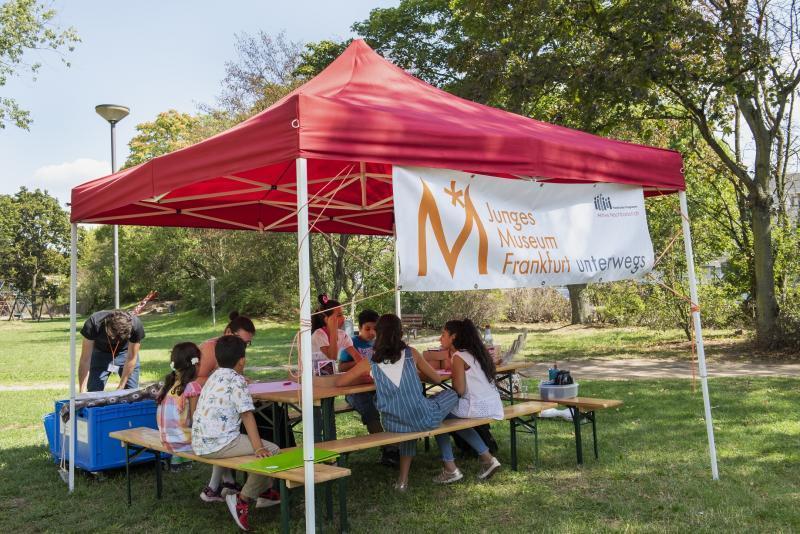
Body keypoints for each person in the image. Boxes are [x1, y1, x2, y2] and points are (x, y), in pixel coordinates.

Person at [335, 313, 457, 491]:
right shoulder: (411, 353)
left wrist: (372, 378)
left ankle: (402, 481)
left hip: (394, 424)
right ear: (400, 333)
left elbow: (340, 382)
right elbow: (437, 379)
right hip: (424, 418)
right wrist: (416, 375)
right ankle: (462, 452)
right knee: (453, 393)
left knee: (408, 420)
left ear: (378, 333)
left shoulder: (371, 360)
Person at [192, 335, 281, 531]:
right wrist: (258, 447)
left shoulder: (213, 376)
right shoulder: (237, 381)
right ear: (242, 360)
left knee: (259, 450)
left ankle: (265, 494)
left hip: (200, 442)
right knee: (272, 450)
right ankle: (242, 498)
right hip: (219, 444)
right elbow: (248, 416)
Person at [155, 342, 239, 498]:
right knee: (219, 440)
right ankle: (212, 489)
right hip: (181, 441)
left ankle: (229, 482)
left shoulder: (168, 384)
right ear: (196, 364)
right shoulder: (192, 387)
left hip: (166, 439)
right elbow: (196, 420)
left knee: (217, 439)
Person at [433, 319, 503, 483]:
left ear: (453, 336)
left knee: (436, 417)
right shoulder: (475, 352)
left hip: (477, 407)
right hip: (492, 405)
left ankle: (450, 468)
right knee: (450, 419)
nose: (439, 338)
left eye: (443, 334)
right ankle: (487, 459)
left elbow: (460, 390)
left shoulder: (459, 356)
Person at [340, 309, 400, 467]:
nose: (372, 333)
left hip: (376, 386)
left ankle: (398, 443)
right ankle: (388, 448)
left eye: (375, 329)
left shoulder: (379, 343)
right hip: (355, 390)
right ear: (359, 328)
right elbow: (341, 367)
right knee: (370, 411)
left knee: (393, 405)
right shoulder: (351, 343)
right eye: (367, 329)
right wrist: (363, 361)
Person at [78, 309, 145, 392]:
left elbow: (131, 357)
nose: (116, 339)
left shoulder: (136, 326)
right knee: (94, 391)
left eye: (121, 336)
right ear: (107, 325)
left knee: (131, 392)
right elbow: (85, 359)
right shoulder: (94, 322)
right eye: (113, 335)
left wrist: (121, 386)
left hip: (125, 353)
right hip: (100, 354)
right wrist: (82, 391)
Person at [196, 311, 255, 386]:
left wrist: (241, 379)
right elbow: (194, 381)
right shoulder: (210, 348)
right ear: (228, 331)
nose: (242, 345)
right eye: (239, 340)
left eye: (246, 343)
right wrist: (228, 380)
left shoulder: (237, 347)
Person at [311, 294, 361, 364]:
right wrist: (333, 330)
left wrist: (363, 365)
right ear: (327, 319)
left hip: (330, 373)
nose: (343, 318)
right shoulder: (318, 335)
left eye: (342, 314)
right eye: (339, 315)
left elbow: (356, 355)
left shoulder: (342, 335)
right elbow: (332, 356)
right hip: (314, 374)